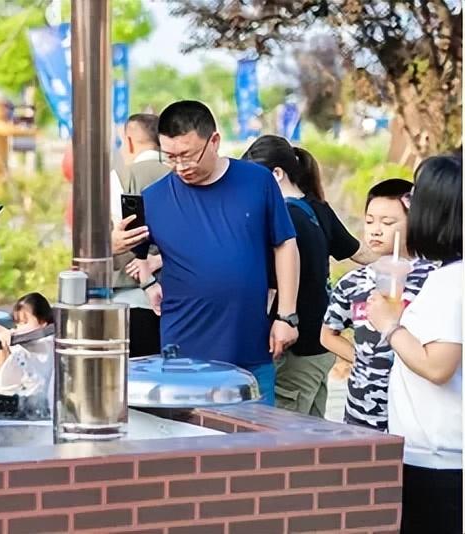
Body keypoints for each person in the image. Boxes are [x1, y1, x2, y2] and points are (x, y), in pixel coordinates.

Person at [112, 100, 299, 405]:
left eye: (187, 155)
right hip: (183, 354)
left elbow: (285, 244)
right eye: (169, 157)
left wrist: (286, 315)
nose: (180, 167)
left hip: (250, 347)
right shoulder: (155, 197)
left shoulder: (256, 181)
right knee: (193, 445)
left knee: (256, 445)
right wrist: (120, 251)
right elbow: (134, 256)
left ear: (214, 141)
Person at [241, 135, 377, 417]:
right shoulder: (317, 207)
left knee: (285, 432)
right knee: (314, 431)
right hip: (323, 344)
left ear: (276, 174)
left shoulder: (283, 219)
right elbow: (359, 253)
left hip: (297, 349)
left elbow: (267, 285)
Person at [365, 155, 462, 534]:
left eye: (415, 197)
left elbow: (438, 366)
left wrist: (390, 326)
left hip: (439, 457)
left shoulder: (449, 283)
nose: (409, 204)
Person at [321, 179, 435, 432]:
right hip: (361, 411)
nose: (375, 230)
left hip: (415, 414)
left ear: (416, 223)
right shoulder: (353, 282)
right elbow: (328, 334)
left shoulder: (433, 279)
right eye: (370, 221)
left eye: (388, 222)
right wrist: (362, 360)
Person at [109, 113, 169, 357]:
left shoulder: (122, 177)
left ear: (130, 141)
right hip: (177, 301)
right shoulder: (182, 176)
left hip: (129, 299)